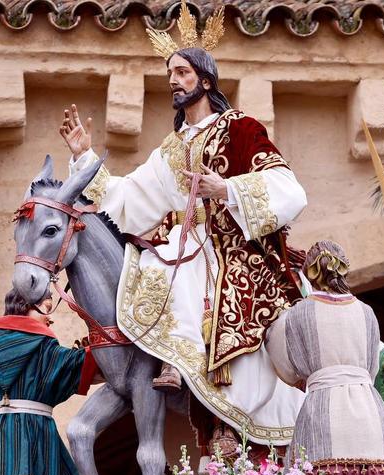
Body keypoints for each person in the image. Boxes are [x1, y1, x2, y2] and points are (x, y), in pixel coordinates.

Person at [60, 1, 307, 449]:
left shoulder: (240, 129)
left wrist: (226, 190)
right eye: (170, 73)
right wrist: (83, 158)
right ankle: (171, 359)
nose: (173, 81)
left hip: (235, 246)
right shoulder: (172, 148)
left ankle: (190, 367)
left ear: (206, 80)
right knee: (153, 263)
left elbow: (286, 187)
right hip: (187, 241)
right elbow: (129, 197)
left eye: (182, 73)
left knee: (183, 266)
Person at [266, 241, 384, 475]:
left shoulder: (297, 314)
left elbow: (283, 363)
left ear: (310, 273)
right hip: (369, 414)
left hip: (324, 411)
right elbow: (372, 369)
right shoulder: (367, 312)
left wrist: (305, 377)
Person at [0, 289, 85, 475]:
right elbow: (74, 366)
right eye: (46, 308)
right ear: (25, 307)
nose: (49, 318)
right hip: (37, 431)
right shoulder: (44, 345)